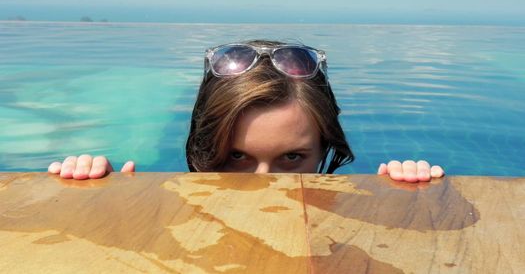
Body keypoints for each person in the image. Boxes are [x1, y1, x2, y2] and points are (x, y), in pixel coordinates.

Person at [48, 40, 444, 182]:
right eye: (237, 156)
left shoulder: (346, 217)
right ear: (205, 146)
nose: (263, 181)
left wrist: (401, 202)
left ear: (324, 146)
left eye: (292, 157)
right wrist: (109, 204)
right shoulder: (166, 212)